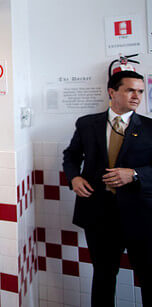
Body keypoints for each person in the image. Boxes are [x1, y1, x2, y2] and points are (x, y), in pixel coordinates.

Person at [62, 70, 152, 306]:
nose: (137, 96)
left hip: (141, 216)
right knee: (103, 277)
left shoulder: (150, 128)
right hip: (99, 216)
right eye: (130, 90)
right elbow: (70, 156)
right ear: (112, 92)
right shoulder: (86, 124)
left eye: (140, 91)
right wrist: (74, 179)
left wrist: (133, 174)